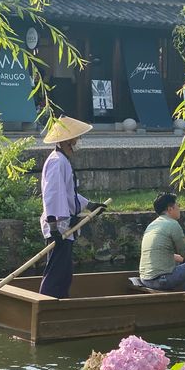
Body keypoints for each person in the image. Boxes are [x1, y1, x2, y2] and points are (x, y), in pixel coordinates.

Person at [39, 116, 107, 298]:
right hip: (59, 227)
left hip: (64, 226)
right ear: (67, 141)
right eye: (75, 139)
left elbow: (68, 193)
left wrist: (90, 205)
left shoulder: (62, 160)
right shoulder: (57, 161)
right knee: (57, 272)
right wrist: (53, 226)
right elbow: (52, 194)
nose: (77, 143)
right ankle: (48, 303)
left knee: (64, 272)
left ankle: (58, 300)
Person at [139, 193, 185, 290]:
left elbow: (160, 252)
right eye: (177, 205)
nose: (179, 209)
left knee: (182, 264)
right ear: (170, 209)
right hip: (161, 280)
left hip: (145, 279)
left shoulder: (152, 225)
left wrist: (183, 260)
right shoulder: (173, 224)